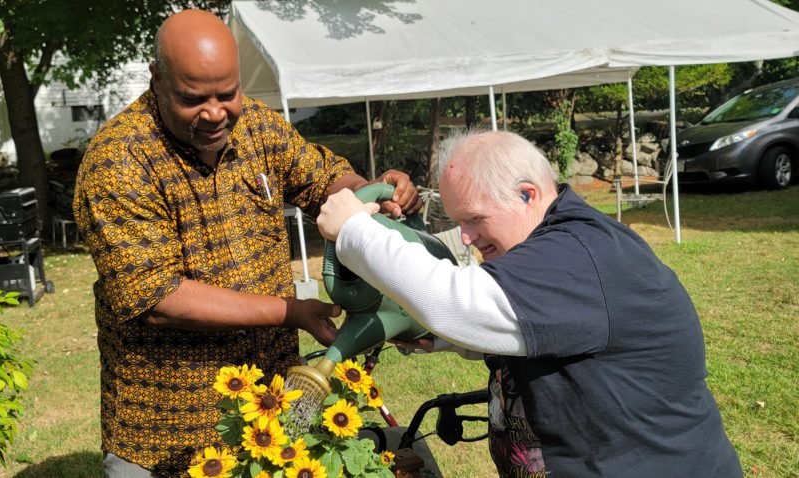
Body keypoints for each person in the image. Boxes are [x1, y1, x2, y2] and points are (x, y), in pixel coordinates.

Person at [72, 9, 421, 477]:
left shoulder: (257, 125)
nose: (216, 113)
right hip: (167, 429)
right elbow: (157, 297)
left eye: (228, 93)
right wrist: (289, 312)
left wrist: (371, 191)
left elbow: (321, 178)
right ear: (157, 80)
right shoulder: (118, 161)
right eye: (194, 99)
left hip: (271, 411)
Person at [315, 129, 742, 477]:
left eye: (474, 219)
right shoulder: (552, 250)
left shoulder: (576, 253)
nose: (465, 237)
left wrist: (355, 231)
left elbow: (460, 304)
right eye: (458, 221)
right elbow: (541, 335)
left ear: (527, 194)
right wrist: (442, 340)